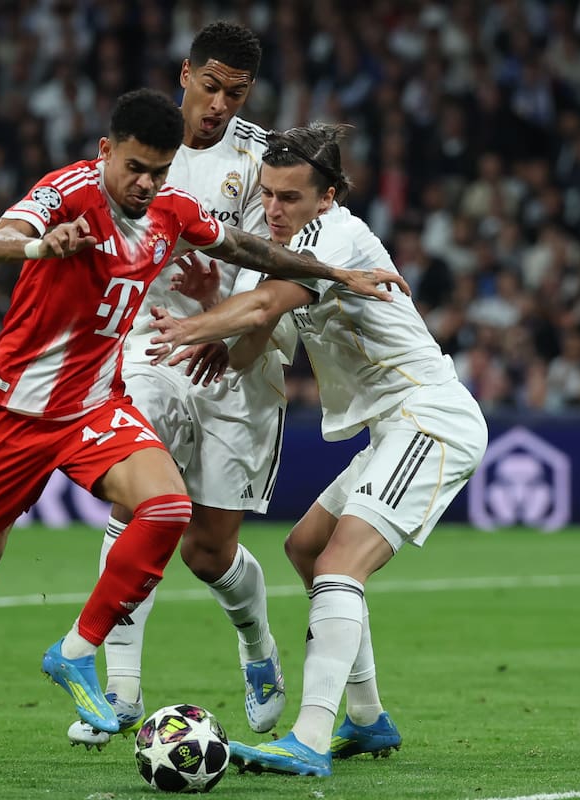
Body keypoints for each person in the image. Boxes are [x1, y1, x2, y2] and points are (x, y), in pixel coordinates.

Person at [0, 91, 407, 757]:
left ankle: (78, 654)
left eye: (159, 170)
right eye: (136, 168)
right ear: (106, 152)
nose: (146, 184)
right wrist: (39, 245)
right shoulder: (68, 192)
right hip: (13, 413)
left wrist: (335, 271)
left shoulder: (171, 209)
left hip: (92, 408)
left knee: (167, 509)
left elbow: (252, 251)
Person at [148, 123, 488, 776]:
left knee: (338, 565)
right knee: (305, 548)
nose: (274, 210)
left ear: (327, 196)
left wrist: (193, 325)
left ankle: (308, 737)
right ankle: (367, 718)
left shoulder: (335, 235)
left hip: (430, 418)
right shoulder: (280, 252)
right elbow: (250, 341)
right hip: (393, 429)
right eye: (267, 195)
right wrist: (218, 321)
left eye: (291, 197)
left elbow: (264, 305)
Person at [67, 21, 299, 750]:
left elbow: (274, 263)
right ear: (185, 73)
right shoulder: (143, 150)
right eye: (211, 86)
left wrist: (225, 328)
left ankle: (258, 645)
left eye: (237, 93)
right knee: (138, 505)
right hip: (152, 347)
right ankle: (119, 689)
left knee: (208, 553)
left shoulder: (262, 159)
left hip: (238, 361)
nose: (220, 105)